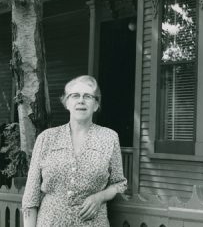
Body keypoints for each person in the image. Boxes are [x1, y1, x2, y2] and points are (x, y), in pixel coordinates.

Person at [22, 75, 127, 226]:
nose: (81, 100)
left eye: (88, 96)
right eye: (75, 95)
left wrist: (100, 197)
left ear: (96, 105)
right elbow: (31, 197)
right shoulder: (46, 138)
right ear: (67, 103)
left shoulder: (109, 137)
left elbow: (119, 183)